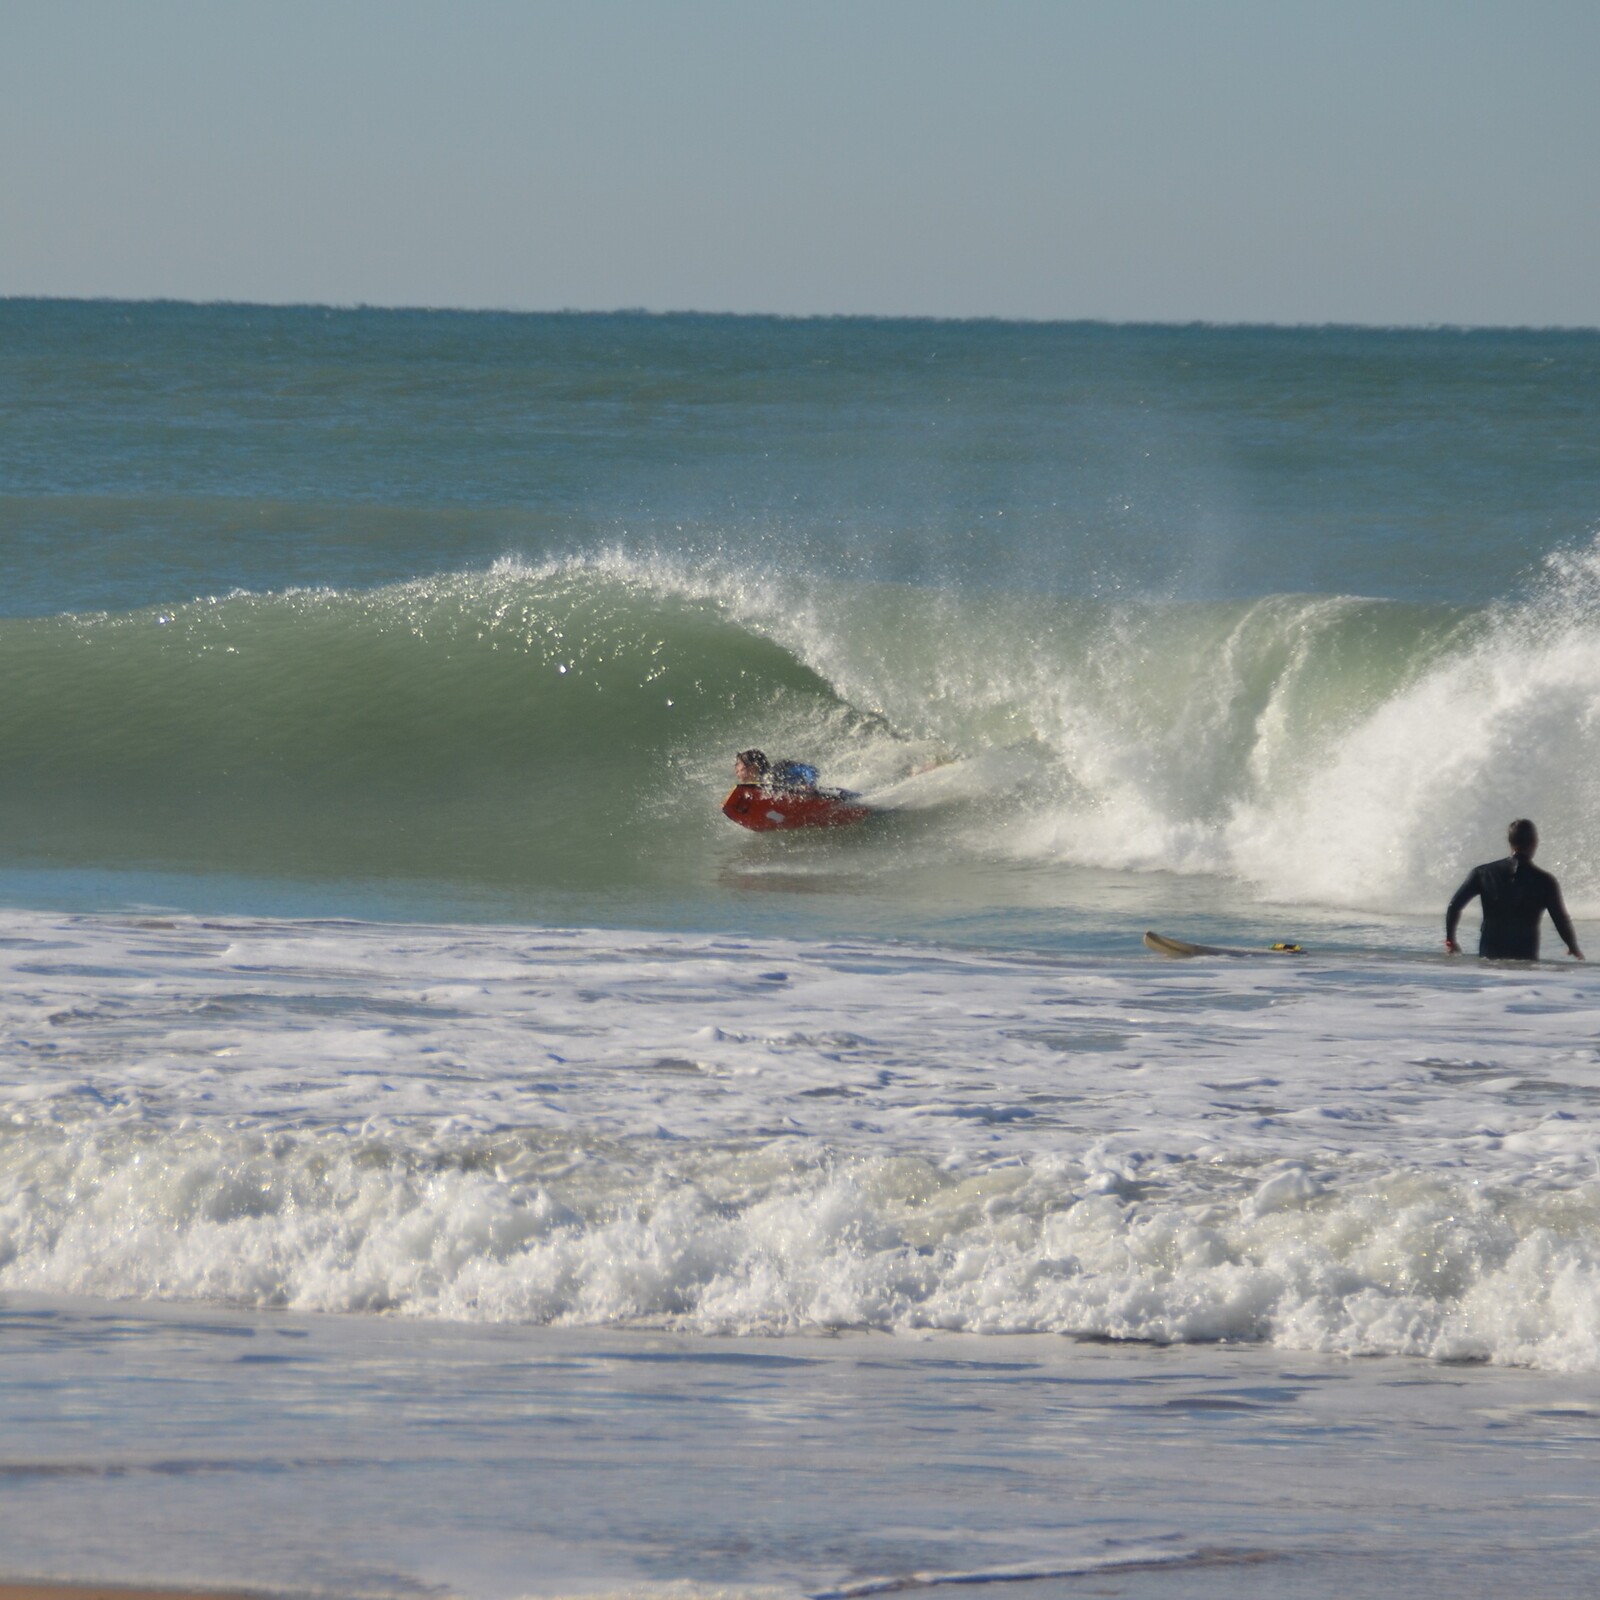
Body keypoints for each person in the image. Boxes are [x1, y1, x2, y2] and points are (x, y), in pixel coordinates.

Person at [1445, 819, 1584, 961]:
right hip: (1524, 959)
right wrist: (1573, 947)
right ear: (1534, 842)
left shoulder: (1482, 873)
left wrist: (1450, 939)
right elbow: (1560, 919)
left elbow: (1454, 905)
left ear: (1509, 841)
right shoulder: (1545, 881)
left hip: (1490, 957)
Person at [733, 749, 819, 794]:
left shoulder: (777, 772)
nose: (737, 772)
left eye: (740, 767)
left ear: (753, 767)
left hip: (808, 794)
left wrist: (810, 784)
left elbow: (810, 769)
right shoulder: (758, 784)